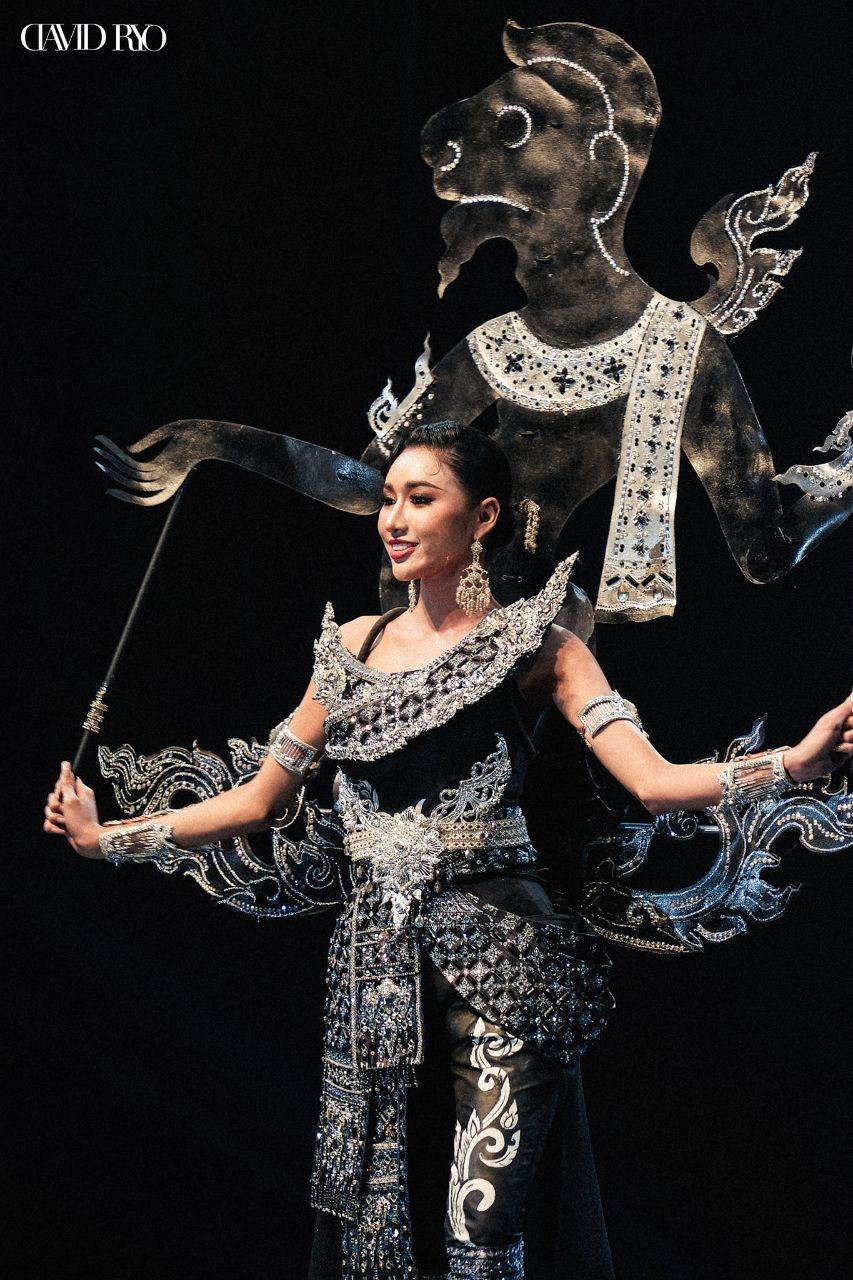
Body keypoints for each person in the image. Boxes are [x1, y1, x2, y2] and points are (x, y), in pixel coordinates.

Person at [44, 421, 852, 1280]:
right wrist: (107, 841)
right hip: (374, 968)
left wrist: (793, 765)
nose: (393, 518)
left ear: (483, 518)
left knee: (483, 1225)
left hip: (504, 961)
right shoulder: (347, 651)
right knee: (375, 1219)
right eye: (388, 499)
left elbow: (650, 783)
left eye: (420, 499)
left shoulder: (545, 647)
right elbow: (256, 802)